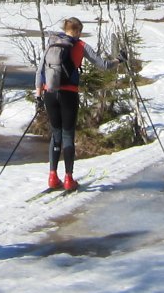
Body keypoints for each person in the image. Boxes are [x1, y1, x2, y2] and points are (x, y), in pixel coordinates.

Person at [36, 16, 113, 191]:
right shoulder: (80, 45)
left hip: (50, 93)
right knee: (68, 135)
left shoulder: (52, 44)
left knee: (56, 134)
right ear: (77, 30)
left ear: (65, 29)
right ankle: (69, 179)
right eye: (80, 31)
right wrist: (119, 61)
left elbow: (40, 71)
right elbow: (103, 65)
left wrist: (38, 96)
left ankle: (52, 177)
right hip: (68, 94)